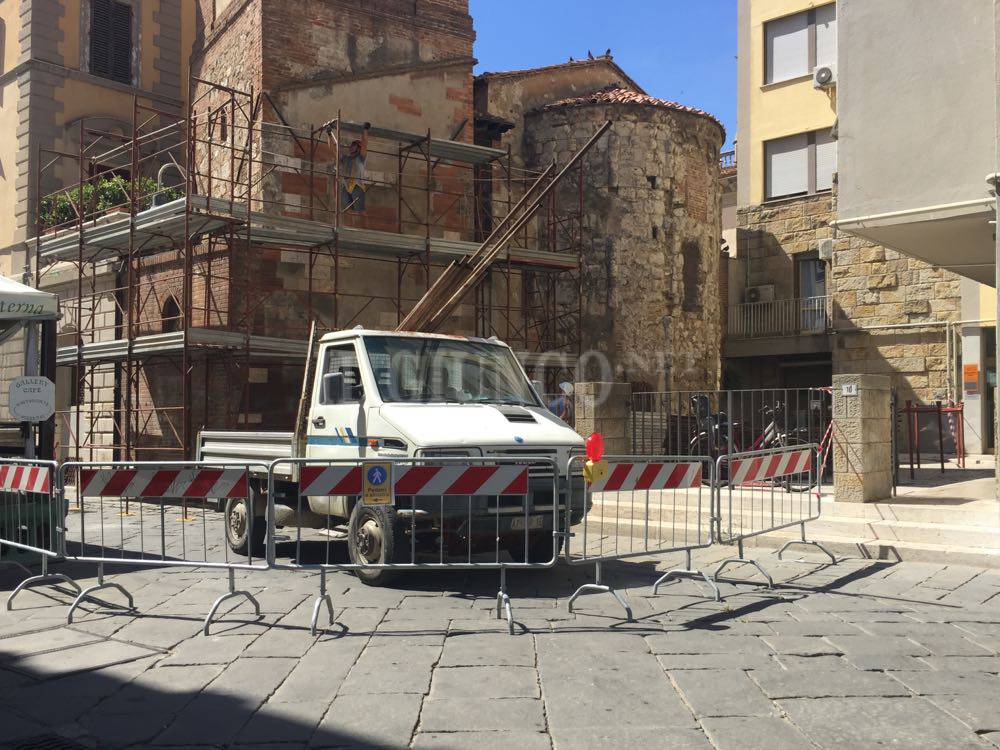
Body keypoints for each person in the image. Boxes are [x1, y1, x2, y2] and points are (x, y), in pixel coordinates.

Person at [339, 122, 370, 212]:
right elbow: (335, 151)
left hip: (357, 186)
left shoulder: (360, 158)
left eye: (354, 145)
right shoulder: (346, 158)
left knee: (359, 211)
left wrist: (365, 130)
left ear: (358, 148)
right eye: (352, 145)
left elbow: (364, 145)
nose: (351, 147)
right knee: (347, 209)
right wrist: (329, 135)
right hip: (346, 186)